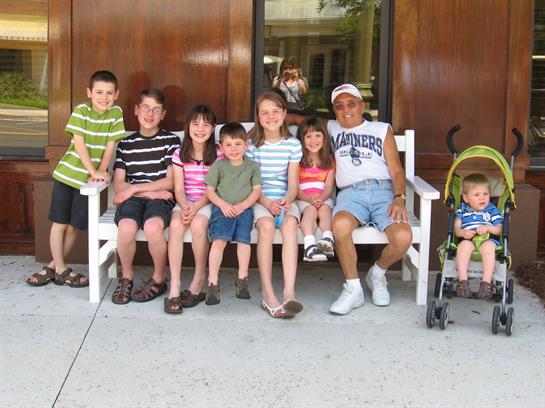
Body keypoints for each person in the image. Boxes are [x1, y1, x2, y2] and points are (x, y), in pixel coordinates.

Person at [26, 70, 125, 288]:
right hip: (67, 176)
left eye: (109, 93)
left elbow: (111, 144)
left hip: (87, 183)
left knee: (73, 226)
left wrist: (101, 169)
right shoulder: (81, 111)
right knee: (59, 223)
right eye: (99, 92)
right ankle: (61, 269)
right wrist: (94, 170)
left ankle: (53, 267)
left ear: (116, 94)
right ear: (89, 93)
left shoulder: (115, 113)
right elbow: (78, 143)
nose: (104, 97)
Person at [327, 83, 412, 314]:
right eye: (339, 106)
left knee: (403, 237)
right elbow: (296, 118)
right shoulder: (331, 127)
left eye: (351, 104)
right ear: (333, 110)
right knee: (340, 225)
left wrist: (399, 197)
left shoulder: (381, 129)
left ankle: (378, 273)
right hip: (351, 193)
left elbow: (395, 169)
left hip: (383, 191)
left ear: (361, 105)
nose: (346, 110)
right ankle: (353, 288)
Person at [110, 88, 180, 305]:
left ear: (163, 114)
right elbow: (119, 184)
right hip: (138, 198)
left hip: (161, 199)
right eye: (146, 108)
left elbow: (171, 181)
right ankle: (127, 276)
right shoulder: (126, 144)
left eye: (156, 110)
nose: (150, 114)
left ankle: (159, 278)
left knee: (152, 227)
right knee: (126, 228)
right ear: (136, 110)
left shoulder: (171, 141)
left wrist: (133, 188)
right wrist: (141, 191)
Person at [246, 91, 304, 318]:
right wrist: (267, 203)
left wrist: (286, 201)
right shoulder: (251, 146)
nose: (271, 117)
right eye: (265, 113)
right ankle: (268, 294)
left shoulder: (293, 145)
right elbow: (252, 184)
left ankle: (289, 293)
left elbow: (293, 185)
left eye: (276, 112)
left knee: (290, 226)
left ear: (285, 114)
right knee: (267, 227)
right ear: (258, 117)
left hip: (284, 199)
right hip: (259, 199)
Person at [165, 105, 222, 313]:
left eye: (206, 125)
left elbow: (214, 189)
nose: (200, 129)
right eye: (195, 124)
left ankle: (199, 279)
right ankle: (175, 286)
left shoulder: (219, 153)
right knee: (175, 225)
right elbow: (178, 189)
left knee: (199, 225)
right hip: (185, 201)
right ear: (187, 127)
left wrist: (196, 206)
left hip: (208, 201)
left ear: (213, 128)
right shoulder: (179, 154)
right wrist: (185, 206)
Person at [204, 122, 262, 305]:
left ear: (246, 145)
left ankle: (242, 279)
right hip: (223, 209)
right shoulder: (219, 166)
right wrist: (223, 205)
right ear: (221, 147)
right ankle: (212, 283)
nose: (234, 149)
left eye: (238, 144)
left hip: (243, 209)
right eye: (228, 145)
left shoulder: (252, 166)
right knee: (219, 240)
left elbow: (256, 191)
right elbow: (210, 191)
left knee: (244, 240)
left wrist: (244, 205)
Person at [454, 173, 503, 299]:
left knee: (488, 247)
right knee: (463, 246)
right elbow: (456, 229)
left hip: (488, 239)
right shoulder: (462, 210)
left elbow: (499, 230)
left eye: (485, 194)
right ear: (466, 198)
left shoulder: (492, 210)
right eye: (477, 195)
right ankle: (463, 282)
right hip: (468, 239)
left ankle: (486, 283)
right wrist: (463, 233)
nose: (482, 198)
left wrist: (488, 228)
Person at [295, 116, 336, 263]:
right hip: (303, 198)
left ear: (324, 138)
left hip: (323, 197)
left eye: (318, 135)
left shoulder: (329, 160)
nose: (314, 140)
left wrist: (321, 198)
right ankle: (309, 245)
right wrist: (309, 199)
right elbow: (295, 187)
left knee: (325, 210)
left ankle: (327, 239)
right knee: (311, 211)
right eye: (308, 136)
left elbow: (329, 186)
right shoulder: (298, 160)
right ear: (302, 139)